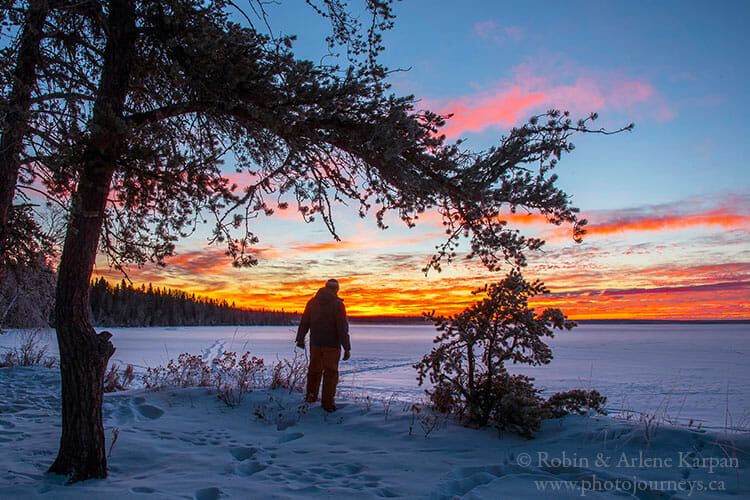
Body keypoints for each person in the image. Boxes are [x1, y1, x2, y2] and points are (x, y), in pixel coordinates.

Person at [295, 279, 350, 412]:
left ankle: (310, 398)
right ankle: (328, 404)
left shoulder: (312, 302)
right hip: (332, 345)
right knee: (330, 374)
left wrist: (300, 339)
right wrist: (347, 348)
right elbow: (342, 327)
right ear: (336, 289)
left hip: (315, 344)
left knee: (314, 371)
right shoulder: (337, 304)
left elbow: (304, 322)